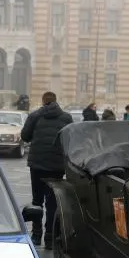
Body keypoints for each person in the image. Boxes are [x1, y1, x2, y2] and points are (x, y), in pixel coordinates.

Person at [21, 91, 74, 246]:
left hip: (37, 164)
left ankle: (37, 235)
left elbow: (25, 136)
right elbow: (70, 139)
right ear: (56, 101)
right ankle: (50, 237)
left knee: (37, 201)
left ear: (43, 101)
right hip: (57, 165)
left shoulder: (35, 116)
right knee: (53, 202)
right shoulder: (66, 118)